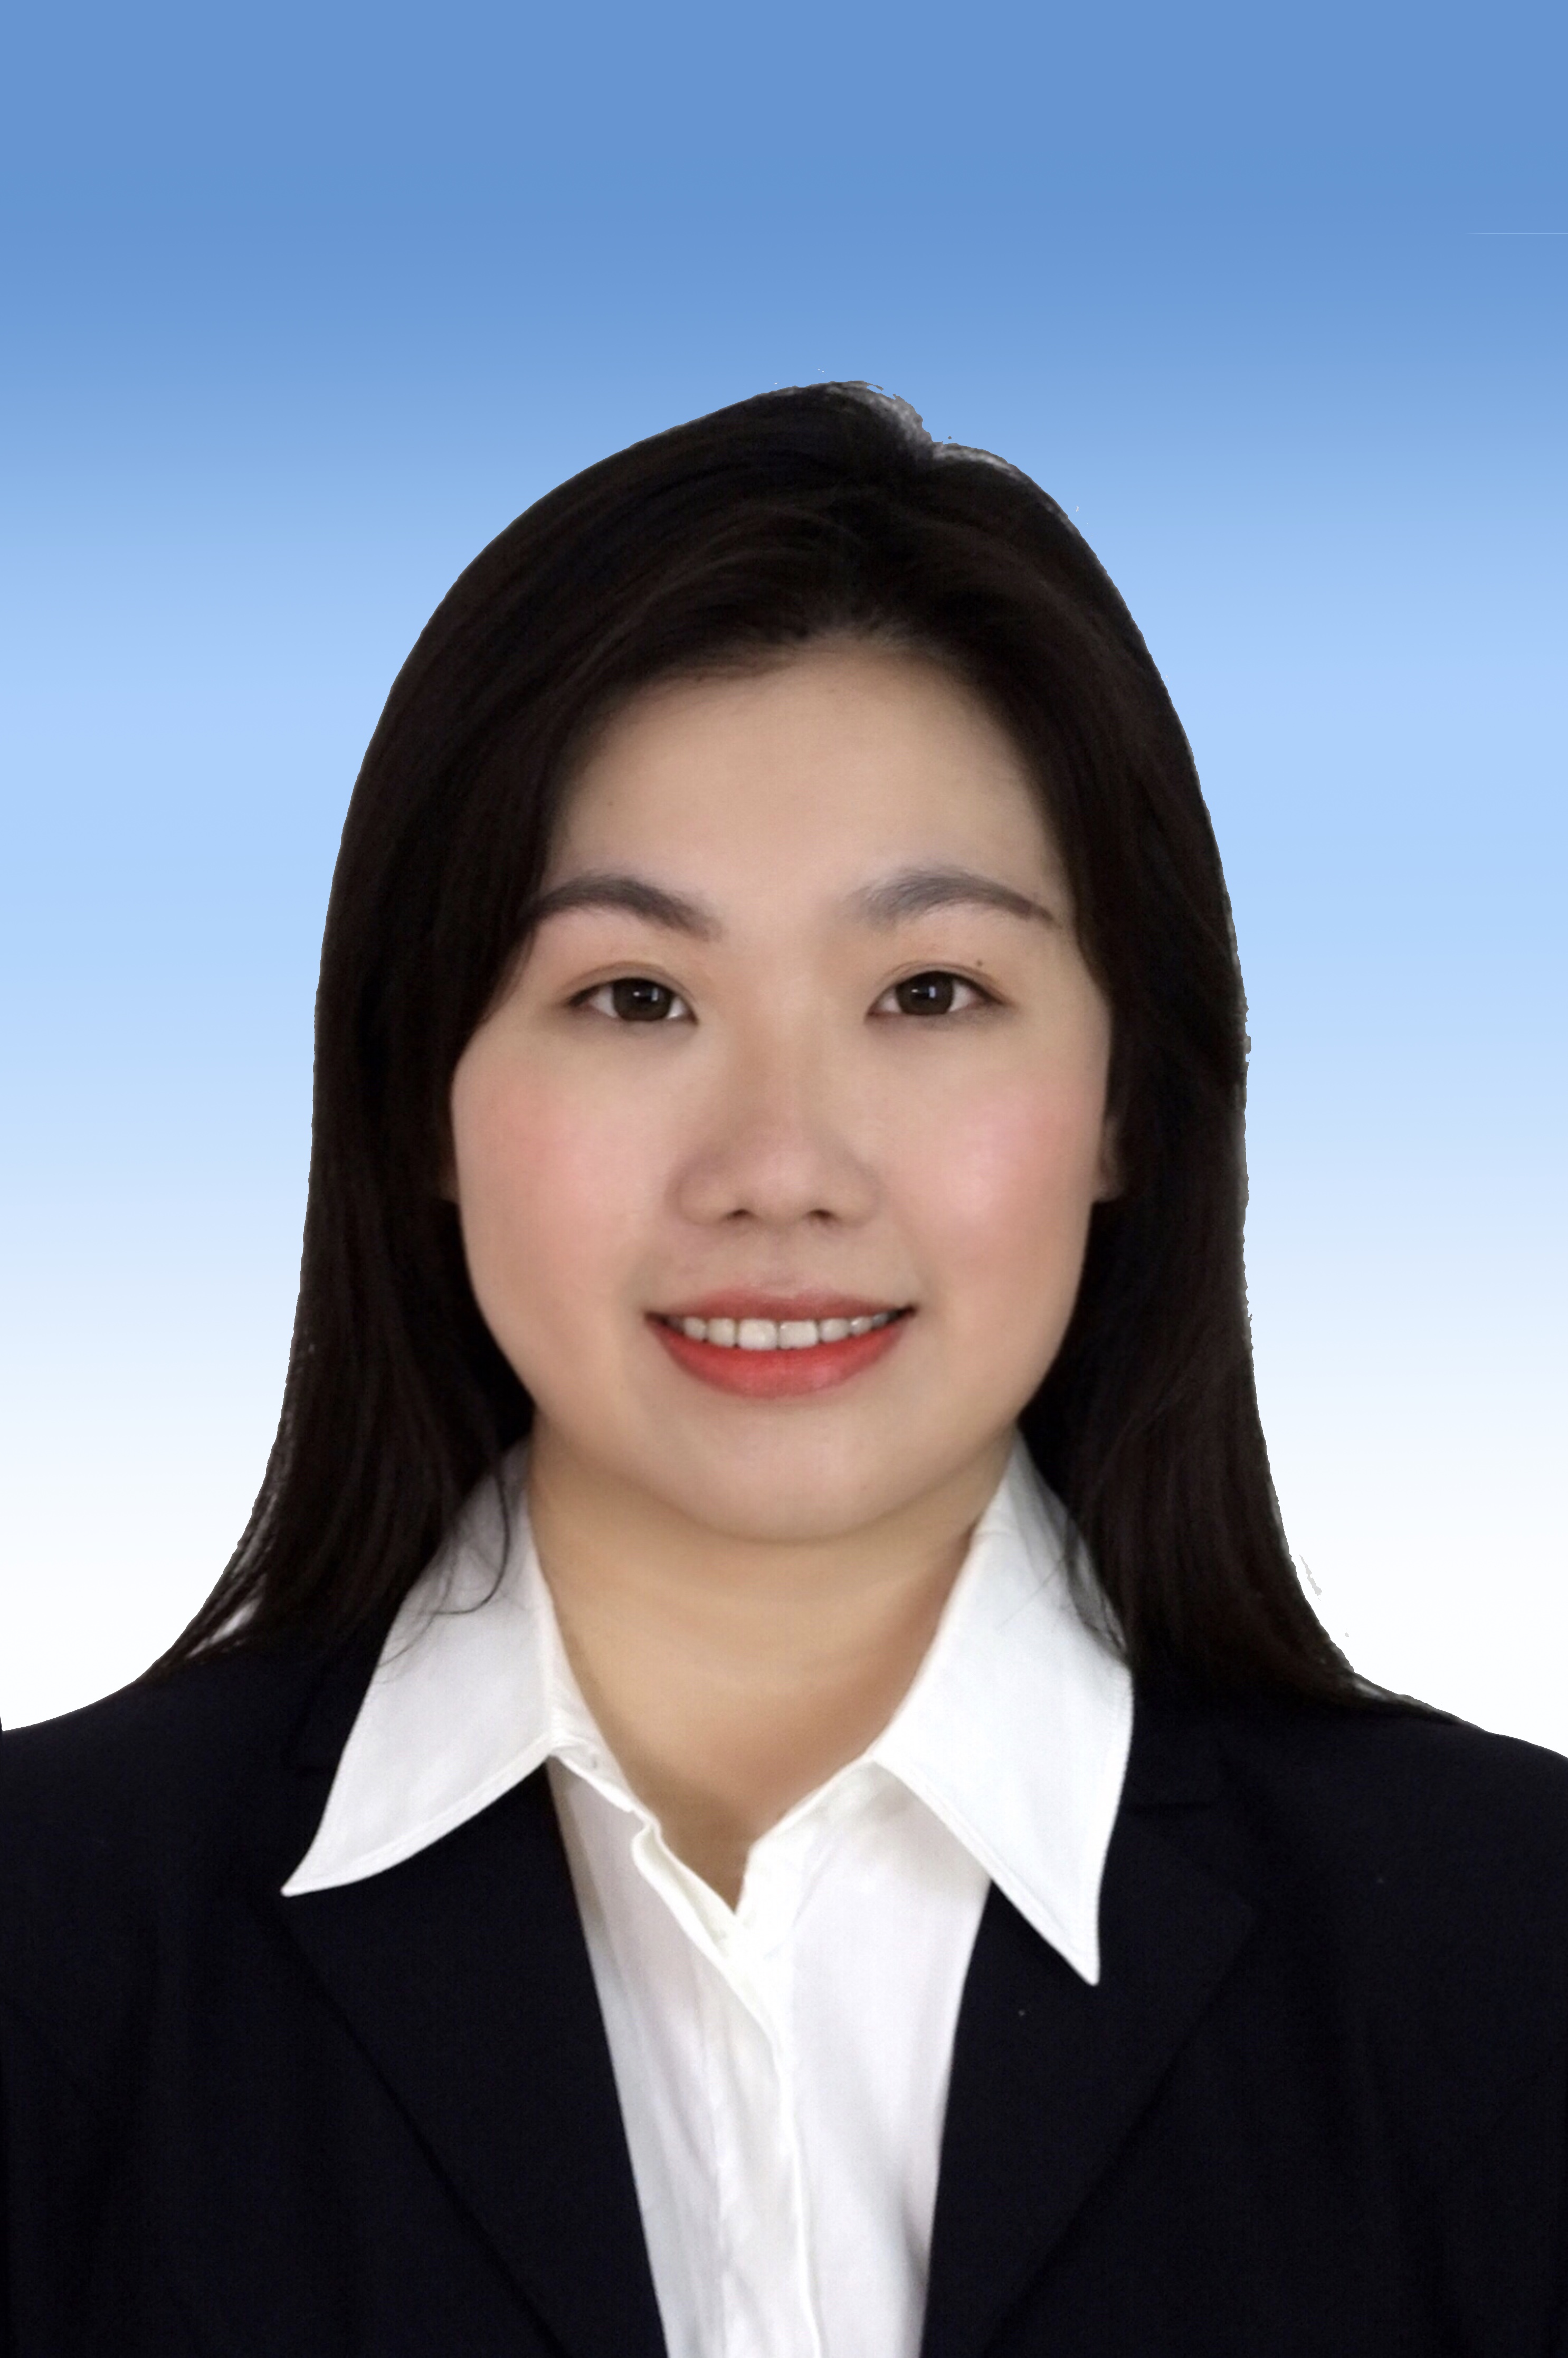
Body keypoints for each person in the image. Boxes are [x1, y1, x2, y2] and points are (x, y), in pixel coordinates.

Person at [2, 382, 1564, 2358]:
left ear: (1126, 1105)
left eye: (930, 991)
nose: (778, 1168)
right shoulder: (48, 1956)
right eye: (634, 996)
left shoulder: (1511, 1957)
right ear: (420, 1099)